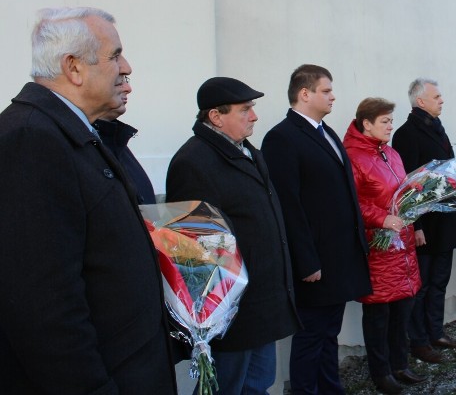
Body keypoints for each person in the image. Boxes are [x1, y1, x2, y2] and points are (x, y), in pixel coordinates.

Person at [0, 7, 177, 393]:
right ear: (74, 67)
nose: (126, 67)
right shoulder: (31, 140)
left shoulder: (74, 133)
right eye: (115, 55)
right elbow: (45, 310)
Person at [166, 77, 301, 393]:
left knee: (259, 385)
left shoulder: (247, 151)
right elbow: (194, 253)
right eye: (245, 109)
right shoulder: (192, 162)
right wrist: (216, 316)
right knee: (228, 387)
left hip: (262, 302)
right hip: (231, 316)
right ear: (216, 116)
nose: (253, 116)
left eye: (252, 108)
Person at [261, 64, 372, 395]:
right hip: (315, 262)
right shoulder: (282, 138)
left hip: (339, 256)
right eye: (326, 90)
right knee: (311, 335)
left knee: (329, 332)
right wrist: (306, 261)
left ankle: (330, 388)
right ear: (304, 94)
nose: (333, 96)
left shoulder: (326, 132)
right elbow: (288, 207)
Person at [344, 97, 424, 394]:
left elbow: (402, 193)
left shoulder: (391, 153)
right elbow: (352, 203)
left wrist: (414, 216)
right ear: (366, 123)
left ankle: (400, 363)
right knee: (379, 314)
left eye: (391, 120)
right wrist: (382, 219)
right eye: (385, 121)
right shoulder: (352, 156)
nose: (391, 126)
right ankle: (382, 372)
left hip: (402, 243)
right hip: (377, 246)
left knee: (403, 308)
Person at [392, 78, 456, 364]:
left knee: (439, 280)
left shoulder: (437, 127)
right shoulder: (406, 134)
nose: (442, 100)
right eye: (437, 96)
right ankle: (418, 340)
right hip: (426, 223)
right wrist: (417, 225)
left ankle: (436, 332)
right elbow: (407, 183)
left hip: (445, 219)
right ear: (420, 101)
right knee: (421, 285)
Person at [93, 74, 156, 205]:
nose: (128, 88)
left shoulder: (115, 138)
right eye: (118, 79)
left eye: (125, 80)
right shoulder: (75, 144)